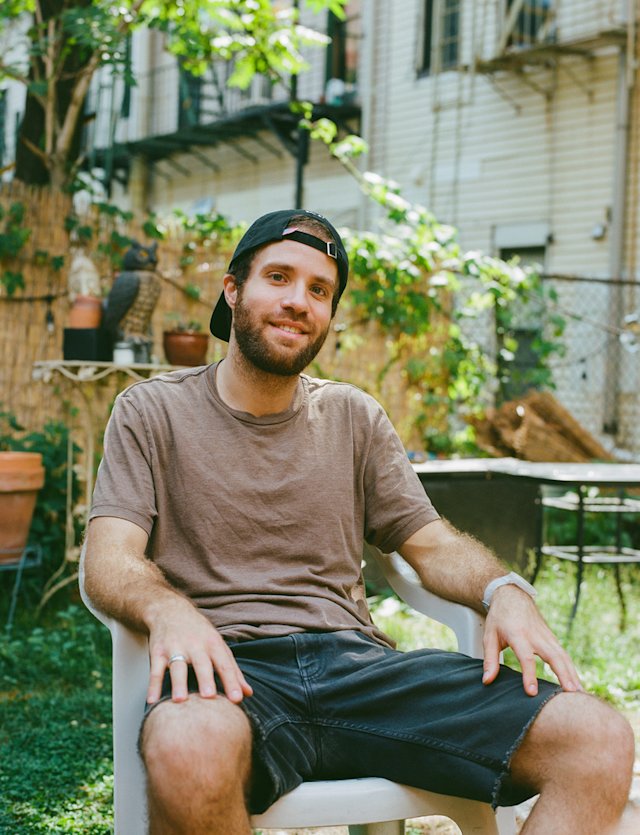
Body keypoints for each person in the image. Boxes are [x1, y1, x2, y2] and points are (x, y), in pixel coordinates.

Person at [84, 209, 634, 835]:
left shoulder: (352, 416)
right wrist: (168, 609)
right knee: (187, 745)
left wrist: (502, 588)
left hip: (360, 671)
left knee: (597, 738)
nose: (298, 301)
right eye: (279, 278)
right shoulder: (152, 411)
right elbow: (109, 559)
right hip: (228, 670)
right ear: (233, 290)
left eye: (319, 290)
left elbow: (429, 544)